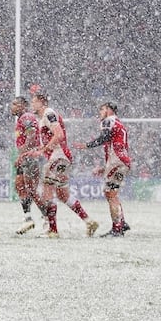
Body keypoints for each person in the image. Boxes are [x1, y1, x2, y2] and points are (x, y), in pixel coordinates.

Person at [30, 93, 99, 238]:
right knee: (63, 194)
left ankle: (53, 230)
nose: (32, 105)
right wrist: (40, 150)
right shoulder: (43, 118)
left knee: (47, 191)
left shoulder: (48, 113)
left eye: (34, 102)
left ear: (42, 102)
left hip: (58, 156)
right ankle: (88, 221)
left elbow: (59, 134)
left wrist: (45, 149)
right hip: (62, 157)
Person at [75, 102, 132, 237]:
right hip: (122, 161)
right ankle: (121, 222)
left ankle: (117, 228)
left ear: (109, 110)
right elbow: (118, 146)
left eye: (102, 109)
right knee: (112, 193)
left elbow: (104, 137)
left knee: (110, 193)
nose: (100, 112)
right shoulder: (119, 124)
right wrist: (105, 167)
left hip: (116, 161)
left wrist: (87, 145)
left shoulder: (108, 121)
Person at [10, 96, 43, 234]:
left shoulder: (27, 117)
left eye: (15, 104)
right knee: (20, 186)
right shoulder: (21, 119)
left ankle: (47, 216)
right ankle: (28, 218)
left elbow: (32, 136)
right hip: (24, 157)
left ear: (23, 105)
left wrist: (22, 153)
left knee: (31, 190)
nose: (12, 107)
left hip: (30, 157)